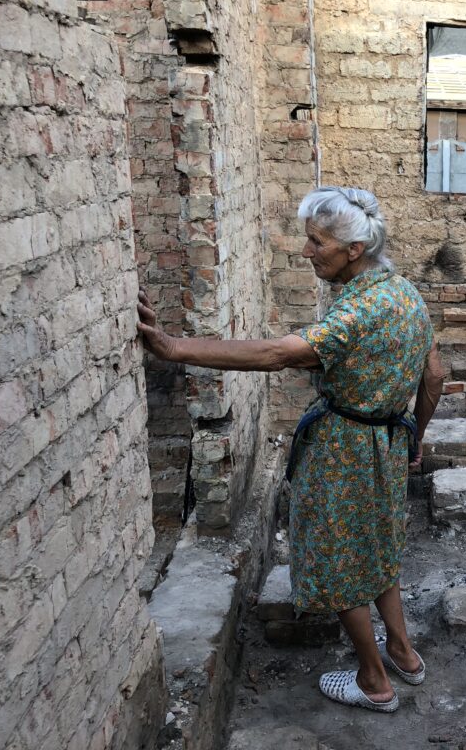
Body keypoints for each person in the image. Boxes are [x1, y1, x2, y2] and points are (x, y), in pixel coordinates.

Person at [137, 185, 446, 713]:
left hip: (343, 447)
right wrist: (413, 435)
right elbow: (434, 375)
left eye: (316, 242)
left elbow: (277, 354)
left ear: (353, 250)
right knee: (378, 546)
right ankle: (404, 655)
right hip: (389, 441)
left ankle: (375, 682)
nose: (306, 252)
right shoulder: (405, 294)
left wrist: (174, 347)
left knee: (338, 558)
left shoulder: (355, 315)